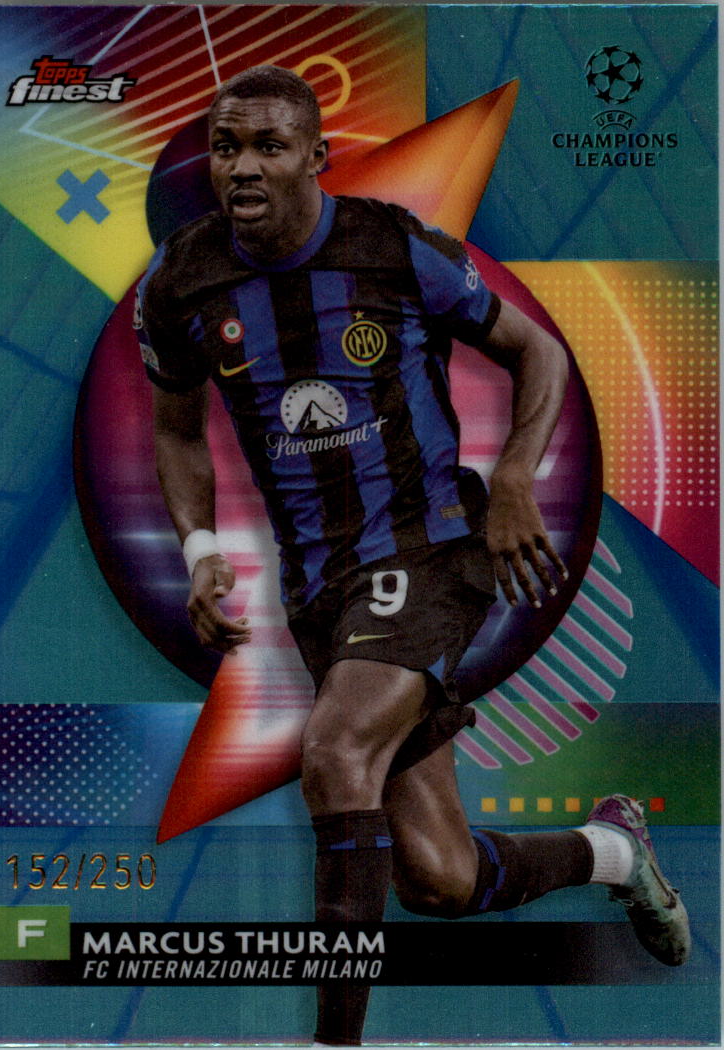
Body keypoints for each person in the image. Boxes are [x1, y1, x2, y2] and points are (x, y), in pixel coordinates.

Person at [136, 65, 690, 1047]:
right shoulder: (182, 282)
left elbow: (537, 351)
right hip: (321, 594)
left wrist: (513, 478)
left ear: (316, 157)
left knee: (336, 751)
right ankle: (615, 851)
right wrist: (201, 548)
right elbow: (177, 431)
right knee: (439, 878)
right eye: (226, 148)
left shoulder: (393, 249)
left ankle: (333, 1044)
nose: (244, 167)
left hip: (430, 550)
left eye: (268, 146)